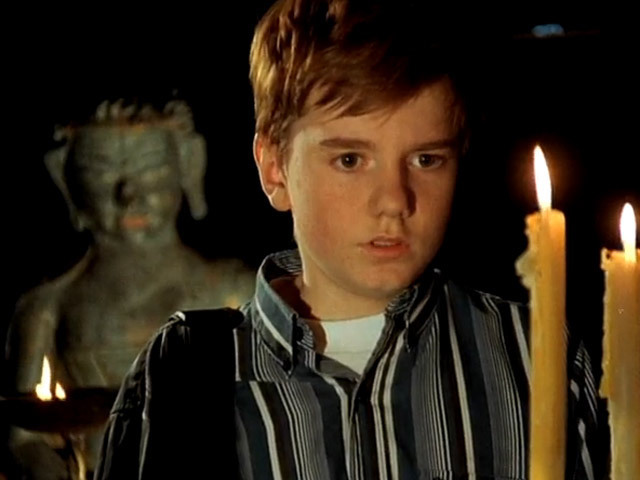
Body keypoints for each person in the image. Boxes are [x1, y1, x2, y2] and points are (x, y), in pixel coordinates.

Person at [95, 1, 599, 479]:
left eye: (426, 159)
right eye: (350, 160)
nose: (394, 200)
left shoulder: (534, 356)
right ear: (274, 169)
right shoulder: (187, 375)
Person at [5, 100, 254, 479]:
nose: (128, 194)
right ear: (65, 178)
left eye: (151, 169)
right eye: (100, 174)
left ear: (188, 163)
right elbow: (23, 437)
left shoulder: (232, 291)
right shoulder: (48, 306)